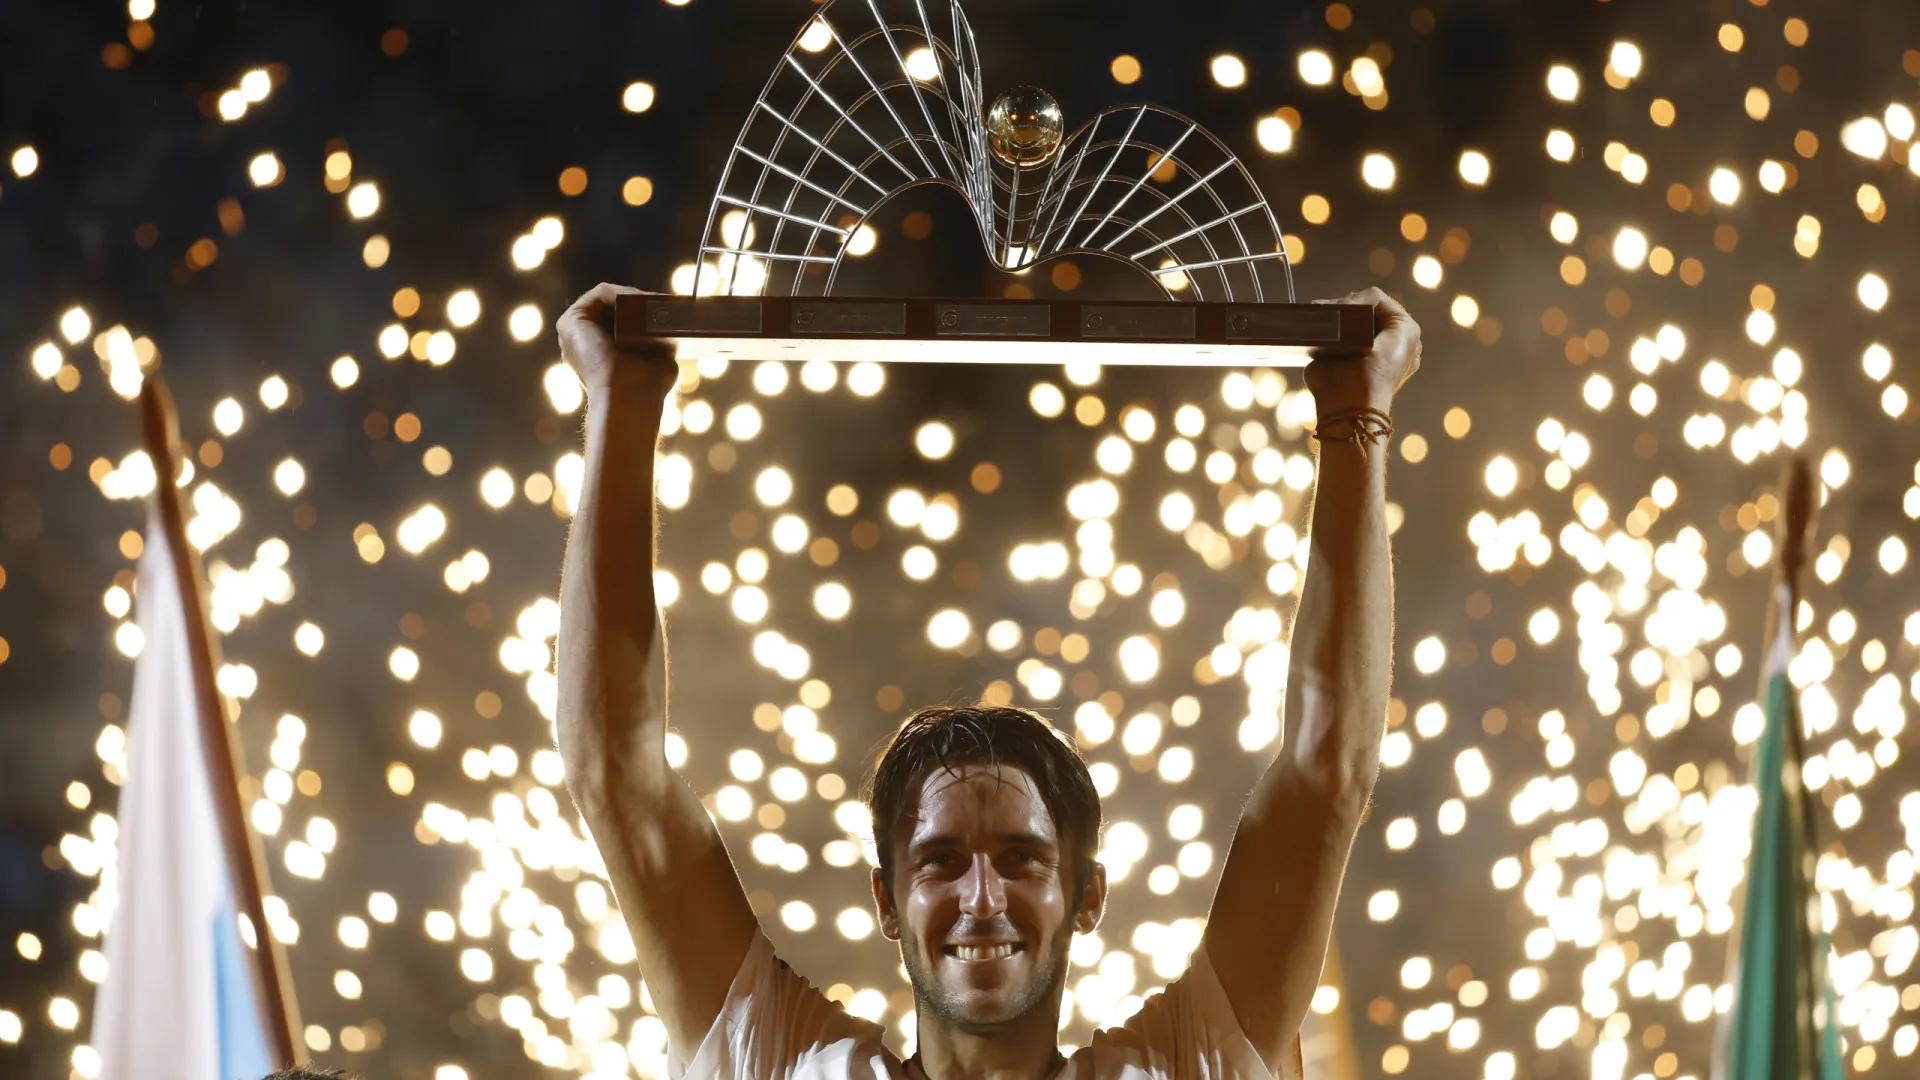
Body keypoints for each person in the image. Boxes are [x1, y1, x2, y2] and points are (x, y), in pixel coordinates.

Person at [554, 284, 1421, 1080]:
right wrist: (621, 406)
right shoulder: (786, 1066)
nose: (980, 900)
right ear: (887, 900)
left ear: (1086, 894)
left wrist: (1356, 416)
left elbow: (1326, 773)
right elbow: (616, 777)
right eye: (938, 862)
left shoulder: (1182, 1066)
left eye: (1022, 858)